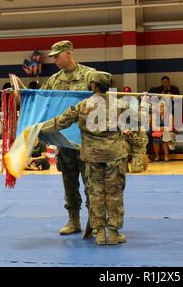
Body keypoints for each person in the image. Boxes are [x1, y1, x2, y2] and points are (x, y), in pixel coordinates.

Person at [41, 71, 129, 245]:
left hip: (92, 158)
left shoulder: (82, 106)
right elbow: (138, 121)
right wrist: (145, 102)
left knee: (95, 194)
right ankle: (113, 233)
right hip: (114, 157)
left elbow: (60, 122)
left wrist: (37, 128)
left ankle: (100, 233)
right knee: (114, 194)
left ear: (93, 85)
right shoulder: (121, 105)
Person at [40, 40, 96, 236]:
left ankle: (95, 221)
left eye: (57, 56)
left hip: (86, 140)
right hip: (63, 139)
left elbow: (103, 102)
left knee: (91, 181)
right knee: (68, 180)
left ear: (68, 53)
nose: (54, 60)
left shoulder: (90, 75)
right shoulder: (54, 80)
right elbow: (42, 101)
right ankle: (74, 220)